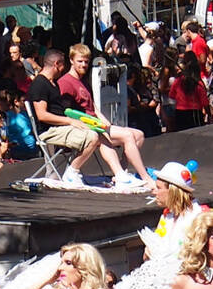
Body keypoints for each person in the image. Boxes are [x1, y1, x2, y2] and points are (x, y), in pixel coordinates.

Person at [59, 44, 151, 191]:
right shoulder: (66, 82)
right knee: (126, 135)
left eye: (86, 61)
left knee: (138, 135)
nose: (84, 64)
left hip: (96, 123)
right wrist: (90, 123)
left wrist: (102, 118)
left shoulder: (82, 80)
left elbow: (92, 105)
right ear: (71, 60)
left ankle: (121, 172)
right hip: (85, 126)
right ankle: (143, 177)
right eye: (80, 61)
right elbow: (67, 110)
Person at [31, 49, 128, 188]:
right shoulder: (40, 84)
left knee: (95, 132)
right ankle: (72, 172)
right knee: (92, 136)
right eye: (62, 65)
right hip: (50, 130)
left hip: (63, 126)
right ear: (57, 64)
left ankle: (119, 173)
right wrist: (71, 121)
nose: (63, 69)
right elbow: (42, 115)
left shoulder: (53, 83)